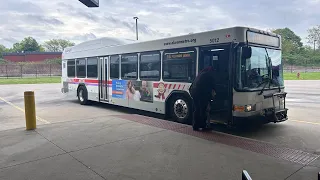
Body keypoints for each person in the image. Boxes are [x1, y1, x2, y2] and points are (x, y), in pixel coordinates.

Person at [189, 66, 216, 131]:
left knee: (197, 109)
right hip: (201, 94)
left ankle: (195, 126)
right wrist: (211, 98)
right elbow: (210, 87)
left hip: (194, 93)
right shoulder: (209, 75)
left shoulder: (201, 74)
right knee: (203, 110)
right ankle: (203, 126)